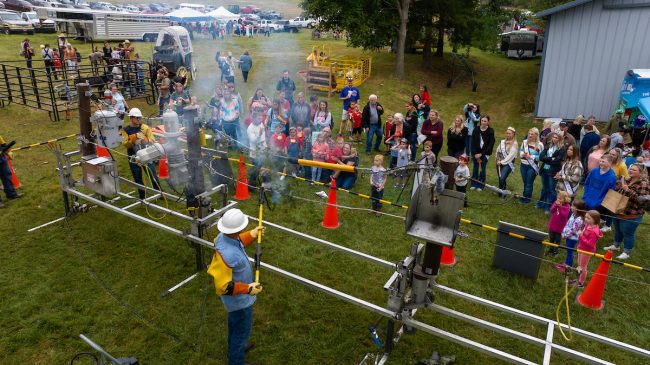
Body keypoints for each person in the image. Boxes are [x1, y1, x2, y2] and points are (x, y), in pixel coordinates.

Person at [208, 209, 263, 365]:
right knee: (241, 328)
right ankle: (236, 359)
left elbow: (237, 242)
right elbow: (223, 286)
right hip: (239, 301)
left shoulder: (222, 238)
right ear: (237, 229)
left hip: (236, 302)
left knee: (235, 326)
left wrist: (251, 235)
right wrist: (248, 289)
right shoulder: (229, 254)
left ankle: (236, 346)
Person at [603, 163, 649, 260]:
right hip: (619, 210)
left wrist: (628, 190)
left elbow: (642, 200)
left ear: (641, 173)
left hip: (632, 214)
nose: (630, 171)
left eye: (634, 170)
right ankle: (616, 245)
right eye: (630, 169)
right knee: (618, 230)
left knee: (628, 233)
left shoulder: (644, 184)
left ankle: (627, 252)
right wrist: (619, 186)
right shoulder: (627, 180)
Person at [119, 108, 161, 199]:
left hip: (146, 155)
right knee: (137, 177)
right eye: (137, 118)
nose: (139, 120)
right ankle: (142, 196)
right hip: (133, 157)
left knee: (153, 175)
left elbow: (152, 140)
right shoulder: (125, 130)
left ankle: (159, 193)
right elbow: (124, 144)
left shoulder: (144, 128)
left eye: (140, 118)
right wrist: (133, 140)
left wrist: (144, 139)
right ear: (131, 118)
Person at [582, 154, 617, 231]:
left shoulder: (612, 177)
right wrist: (585, 195)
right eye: (600, 161)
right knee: (586, 217)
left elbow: (609, 193)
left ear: (610, 163)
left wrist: (599, 202)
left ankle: (591, 234)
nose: (601, 163)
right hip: (588, 198)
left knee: (593, 220)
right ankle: (584, 230)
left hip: (598, 203)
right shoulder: (594, 171)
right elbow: (587, 183)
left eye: (603, 161)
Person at [573, 210, 603, 289]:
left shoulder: (593, 232)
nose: (586, 219)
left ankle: (581, 283)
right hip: (581, 247)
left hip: (587, 250)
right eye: (586, 217)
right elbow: (584, 232)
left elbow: (590, 244)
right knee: (579, 263)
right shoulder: (588, 225)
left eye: (588, 218)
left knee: (583, 266)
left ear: (595, 220)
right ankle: (578, 279)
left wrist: (581, 235)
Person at [537, 133, 566, 212]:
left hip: (553, 171)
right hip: (544, 170)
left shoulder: (562, 148)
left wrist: (547, 159)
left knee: (551, 190)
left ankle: (548, 206)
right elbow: (541, 157)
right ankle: (541, 203)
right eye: (553, 137)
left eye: (556, 137)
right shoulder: (548, 145)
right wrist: (550, 158)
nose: (554, 139)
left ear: (559, 139)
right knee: (544, 188)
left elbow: (557, 161)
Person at [557, 199, 586, 273]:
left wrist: (565, 235)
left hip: (572, 239)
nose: (571, 207)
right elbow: (568, 224)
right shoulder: (573, 214)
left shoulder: (579, 219)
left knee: (570, 252)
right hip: (568, 236)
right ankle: (566, 264)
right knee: (569, 251)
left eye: (573, 206)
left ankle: (569, 269)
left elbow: (573, 230)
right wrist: (564, 232)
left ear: (578, 209)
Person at [519, 127, 544, 204]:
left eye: (532, 134)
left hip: (532, 166)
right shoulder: (524, 142)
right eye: (529, 133)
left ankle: (526, 199)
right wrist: (523, 154)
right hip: (523, 165)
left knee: (529, 183)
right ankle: (527, 196)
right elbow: (520, 152)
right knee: (525, 182)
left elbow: (541, 157)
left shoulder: (540, 145)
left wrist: (531, 157)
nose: (530, 135)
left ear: (536, 135)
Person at [470, 116, 495, 191]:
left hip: (485, 154)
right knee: (475, 168)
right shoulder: (476, 129)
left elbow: (490, 145)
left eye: (485, 121)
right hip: (475, 153)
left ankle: (481, 184)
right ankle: (474, 183)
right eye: (482, 120)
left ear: (488, 122)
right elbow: (473, 142)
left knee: (482, 169)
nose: (483, 122)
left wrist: (481, 154)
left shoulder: (490, 131)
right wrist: (474, 153)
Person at [0, 135, 24, 208]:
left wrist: (8, 151)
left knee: (7, 174)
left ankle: (11, 194)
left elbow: (3, 144)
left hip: (1, 157)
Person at [546, 191, 571, 257]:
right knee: (551, 238)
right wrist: (555, 206)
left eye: (560, 199)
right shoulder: (556, 202)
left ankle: (555, 250)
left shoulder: (567, 206)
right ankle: (550, 249)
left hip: (560, 226)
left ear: (565, 199)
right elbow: (551, 210)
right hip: (553, 224)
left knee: (557, 239)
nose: (558, 200)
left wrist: (560, 207)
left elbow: (564, 215)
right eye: (558, 198)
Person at [495, 127, 518, 197]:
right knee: (501, 177)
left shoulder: (514, 144)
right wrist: (497, 158)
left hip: (508, 163)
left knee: (502, 178)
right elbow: (498, 150)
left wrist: (502, 162)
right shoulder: (503, 142)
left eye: (510, 133)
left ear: (513, 134)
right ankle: (502, 191)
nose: (508, 135)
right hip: (499, 161)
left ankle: (502, 193)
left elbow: (511, 156)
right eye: (507, 133)